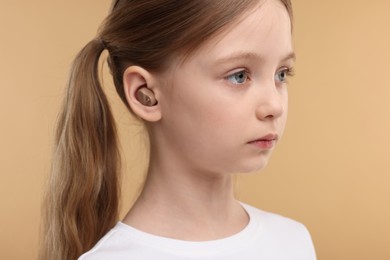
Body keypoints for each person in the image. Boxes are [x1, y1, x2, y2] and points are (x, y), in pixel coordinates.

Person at [40, 0, 316, 259]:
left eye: (282, 73)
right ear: (145, 94)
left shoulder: (293, 242)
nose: (274, 106)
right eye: (239, 76)